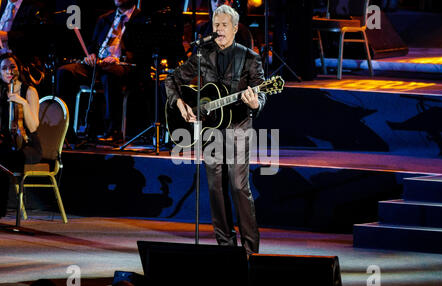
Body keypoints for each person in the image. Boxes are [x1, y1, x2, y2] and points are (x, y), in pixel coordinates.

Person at [165, 5, 266, 255]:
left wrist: (256, 102)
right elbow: (172, 79)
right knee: (215, 188)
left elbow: (261, 90)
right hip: (211, 130)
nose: (219, 29)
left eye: (223, 25)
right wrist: (179, 103)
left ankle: (250, 250)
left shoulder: (249, 57)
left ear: (234, 28)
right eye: (215, 25)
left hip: (238, 127)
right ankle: (226, 249)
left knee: (238, 186)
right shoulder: (202, 55)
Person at [56, 0, 144, 144]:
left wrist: (119, 58)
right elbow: (93, 45)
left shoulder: (142, 19)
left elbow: (142, 51)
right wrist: (91, 55)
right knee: (64, 72)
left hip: (123, 66)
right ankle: (65, 128)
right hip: (99, 64)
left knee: (110, 74)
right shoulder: (105, 18)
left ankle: (112, 130)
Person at [0, 53, 41, 218]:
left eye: (12, 67)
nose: (9, 72)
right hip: (5, 144)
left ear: (19, 69)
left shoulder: (29, 90)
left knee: (2, 158)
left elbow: (33, 126)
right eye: (4, 68)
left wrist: (22, 102)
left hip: (28, 146)